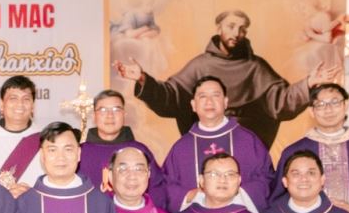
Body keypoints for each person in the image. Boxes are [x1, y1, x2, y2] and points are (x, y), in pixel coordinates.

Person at [115, 8, 335, 148]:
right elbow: (172, 96)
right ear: (218, 27)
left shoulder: (256, 67)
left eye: (242, 29)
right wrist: (143, 79)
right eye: (231, 26)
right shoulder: (200, 65)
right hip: (205, 146)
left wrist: (308, 83)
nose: (236, 33)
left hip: (246, 147)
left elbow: (282, 101)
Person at [269, 83, 349, 213]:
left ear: (345, 105)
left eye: (335, 102)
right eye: (320, 104)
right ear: (311, 111)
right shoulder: (293, 152)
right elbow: (278, 197)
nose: (328, 109)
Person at [160, 76, 273, 213]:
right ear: (193, 105)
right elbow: (165, 186)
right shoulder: (181, 148)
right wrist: (190, 195)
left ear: (225, 102)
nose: (209, 101)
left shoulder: (248, 140)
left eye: (215, 95)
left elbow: (267, 178)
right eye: (203, 96)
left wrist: (237, 194)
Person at [79, 89, 167, 210]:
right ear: (94, 116)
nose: (110, 115)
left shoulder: (140, 151)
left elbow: (157, 190)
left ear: (124, 114)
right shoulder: (80, 152)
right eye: (103, 110)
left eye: (116, 109)